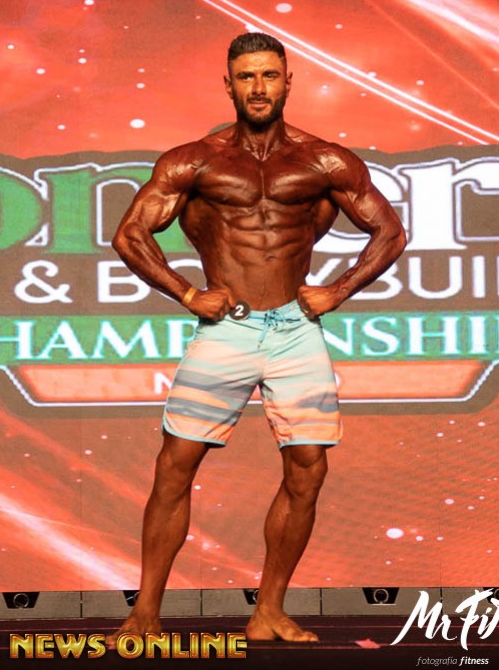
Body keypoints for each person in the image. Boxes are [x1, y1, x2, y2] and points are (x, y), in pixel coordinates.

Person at [110, 31, 406, 643]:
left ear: (287, 81)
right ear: (229, 85)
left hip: (296, 331)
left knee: (308, 469)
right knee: (175, 467)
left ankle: (268, 609)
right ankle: (144, 613)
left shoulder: (325, 161)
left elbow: (390, 232)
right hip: (227, 328)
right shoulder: (195, 160)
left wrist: (338, 290)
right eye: (246, 77)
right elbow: (129, 234)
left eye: (269, 75)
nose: (259, 87)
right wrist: (187, 293)